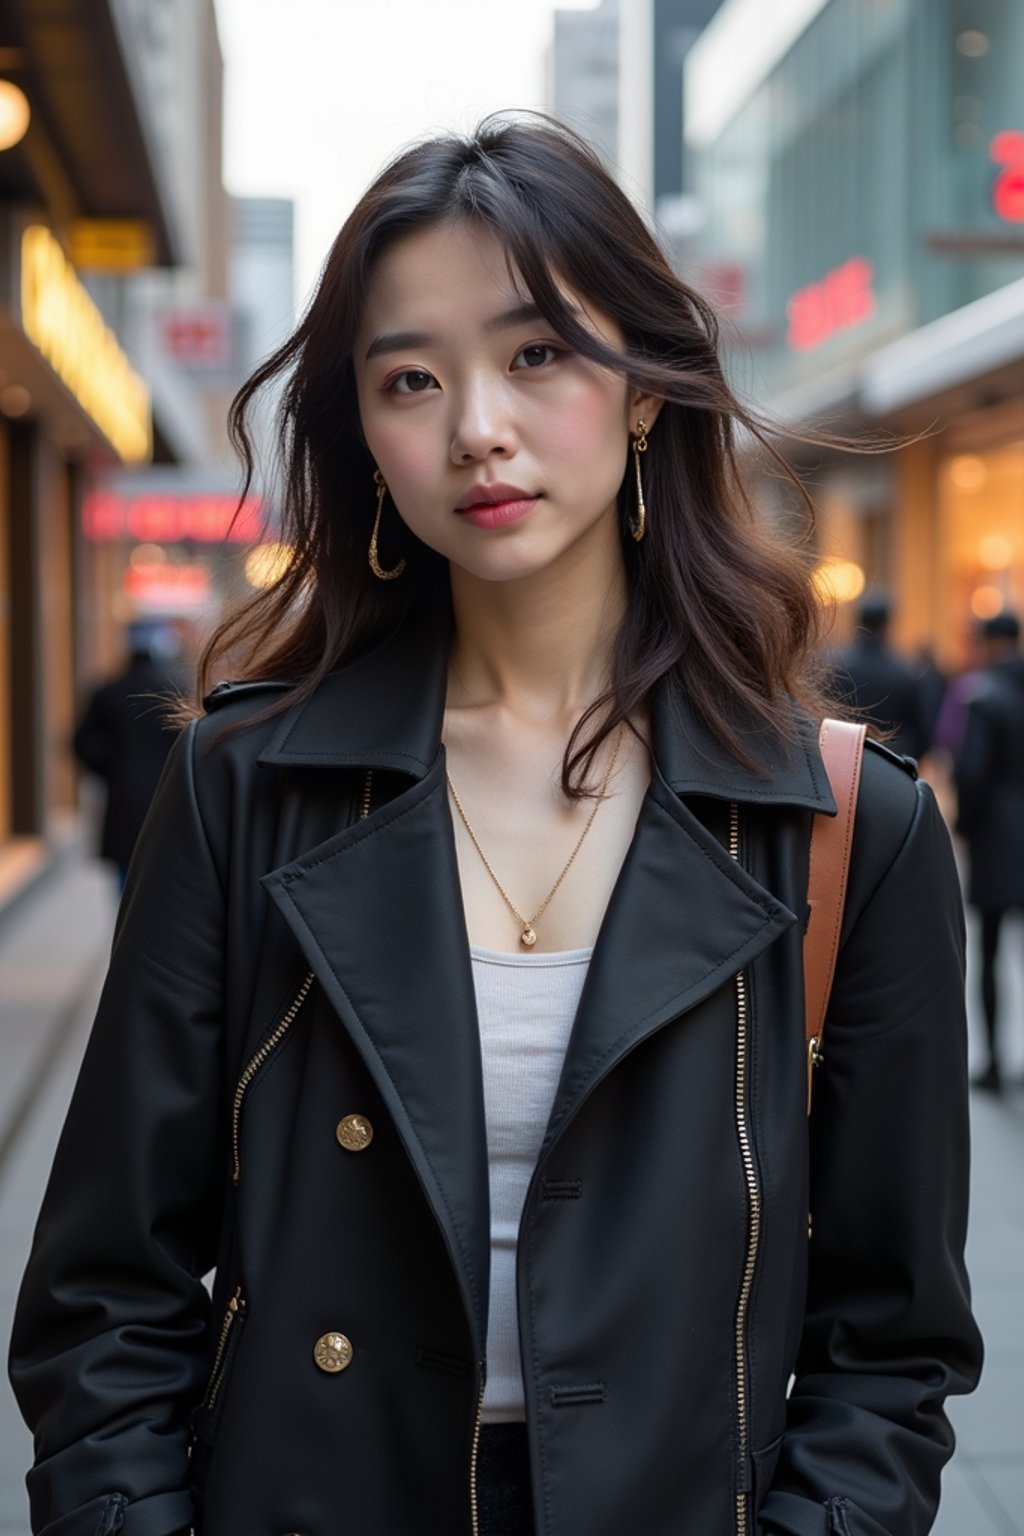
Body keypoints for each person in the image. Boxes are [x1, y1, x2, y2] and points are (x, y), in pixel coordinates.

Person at [9, 115, 980, 1536]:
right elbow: (106, 1295)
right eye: (414, 378)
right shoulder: (245, 790)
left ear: (646, 391)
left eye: (537, 354)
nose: (478, 426)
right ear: (369, 437)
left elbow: (890, 1345)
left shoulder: (845, 827)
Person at [954, 609, 1024, 1092]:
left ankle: (996, 1062)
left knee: (991, 948)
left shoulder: (986, 696)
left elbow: (972, 773)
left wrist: (963, 826)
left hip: (999, 840)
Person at [73, 621, 184, 888]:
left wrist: (110, 770)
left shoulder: (108, 691)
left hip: (123, 795)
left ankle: (127, 929)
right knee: (165, 875)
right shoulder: (176, 692)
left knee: (126, 880)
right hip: (168, 794)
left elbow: (81, 743)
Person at [829, 591, 930, 759]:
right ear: (887, 623)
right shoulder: (906, 670)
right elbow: (921, 731)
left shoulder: (836, 667)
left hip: (843, 762)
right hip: (894, 761)